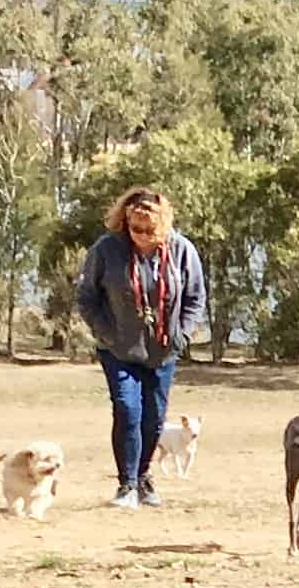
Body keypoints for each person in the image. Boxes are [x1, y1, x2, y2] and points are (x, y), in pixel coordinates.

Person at [76, 186, 208, 510]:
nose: (143, 236)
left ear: (162, 224)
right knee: (127, 409)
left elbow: (196, 298)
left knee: (155, 418)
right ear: (125, 221)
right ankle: (127, 484)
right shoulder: (107, 250)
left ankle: (145, 476)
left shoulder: (181, 250)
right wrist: (105, 333)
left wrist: (183, 334)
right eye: (136, 229)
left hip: (162, 351)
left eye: (150, 230)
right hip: (118, 349)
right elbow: (87, 298)